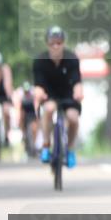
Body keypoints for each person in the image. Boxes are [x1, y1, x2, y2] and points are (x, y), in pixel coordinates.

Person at [32, 26, 84, 168]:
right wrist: (39, 94)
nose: (56, 46)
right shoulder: (40, 61)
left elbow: (77, 82)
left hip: (68, 94)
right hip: (50, 94)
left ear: (63, 43)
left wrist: (79, 92)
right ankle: (46, 145)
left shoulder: (72, 58)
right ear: (47, 44)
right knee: (49, 109)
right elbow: (38, 86)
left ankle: (71, 149)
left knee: (73, 118)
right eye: (52, 43)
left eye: (59, 42)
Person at [18, 81, 38, 156]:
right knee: (25, 131)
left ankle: (34, 146)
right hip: (25, 117)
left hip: (32, 116)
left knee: (34, 129)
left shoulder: (33, 98)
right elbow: (21, 111)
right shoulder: (22, 99)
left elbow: (36, 108)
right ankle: (24, 138)